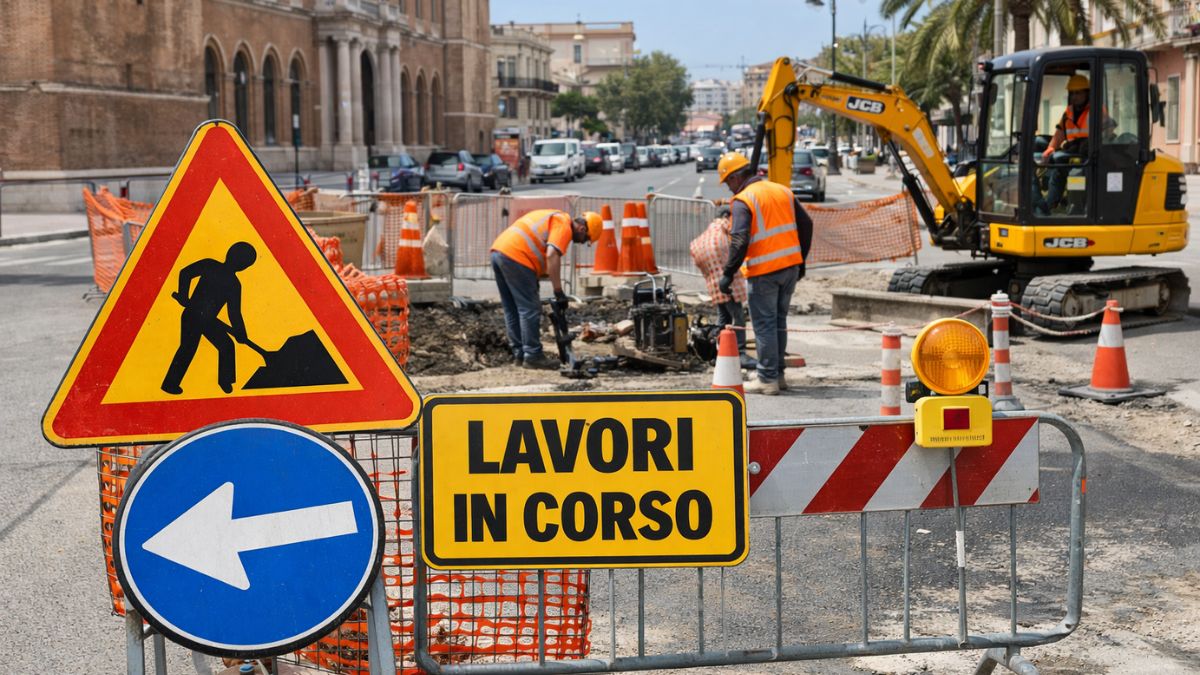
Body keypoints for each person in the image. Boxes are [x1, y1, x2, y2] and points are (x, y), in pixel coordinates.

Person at [716, 152, 813, 395]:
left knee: (765, 325)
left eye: (728, 181)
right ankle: (777, 375)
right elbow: (807, 224)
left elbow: (739, 240)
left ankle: (767, 379)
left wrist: (728, 273)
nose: (729, 188)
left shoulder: (744, 200)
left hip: (764, 272)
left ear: (738, 176)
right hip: (789, 268)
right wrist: (800, 262)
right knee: (779, 321)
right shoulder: (782, 190)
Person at [490, 209, 601, 369]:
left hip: (499, 252)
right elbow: (551, 255)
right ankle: (533, 356)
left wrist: (535, 278)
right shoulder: (564, 225)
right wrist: (558, 292)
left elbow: (540, 251)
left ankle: (520, 354)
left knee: (512, 309)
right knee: (530, 309)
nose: (582, 242)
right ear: (582, 229)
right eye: (585, 239)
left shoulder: (554, 216)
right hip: (517, 256)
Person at [161, 241, 257, 395]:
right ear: (244, 266)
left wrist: (241, 332)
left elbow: (234, 312)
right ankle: (170, 384)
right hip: (193, 315)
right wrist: (184, 295)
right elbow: (185, 273)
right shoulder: (223, 275)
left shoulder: (227, 279)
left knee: (225, 345)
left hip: (207, 320)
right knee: (188, 348)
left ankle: (224, 381)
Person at [689, 206, 756, 370]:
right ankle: (739, 353)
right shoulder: (724, 224)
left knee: (723, 317)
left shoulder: (706, 234)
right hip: (726, 278)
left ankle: (718, 351)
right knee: (738, 316)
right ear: (727, 216)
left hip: (713, 279)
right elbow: (740, 239)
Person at [1035, 74, 1110, 216]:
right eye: (1072, 93)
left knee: (1076, 174)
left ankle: (1076, 210)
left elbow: (1108, 132)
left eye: (1078, 92)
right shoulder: (1069, 112)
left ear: (1087, 93)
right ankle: (1050, 206)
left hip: (1090, 156)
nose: (1075, 96)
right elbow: (1059, 134)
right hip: (1074, 152)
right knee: (1057, 169)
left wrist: (1092, 143)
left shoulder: (1097, 110)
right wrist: (1050, 149)